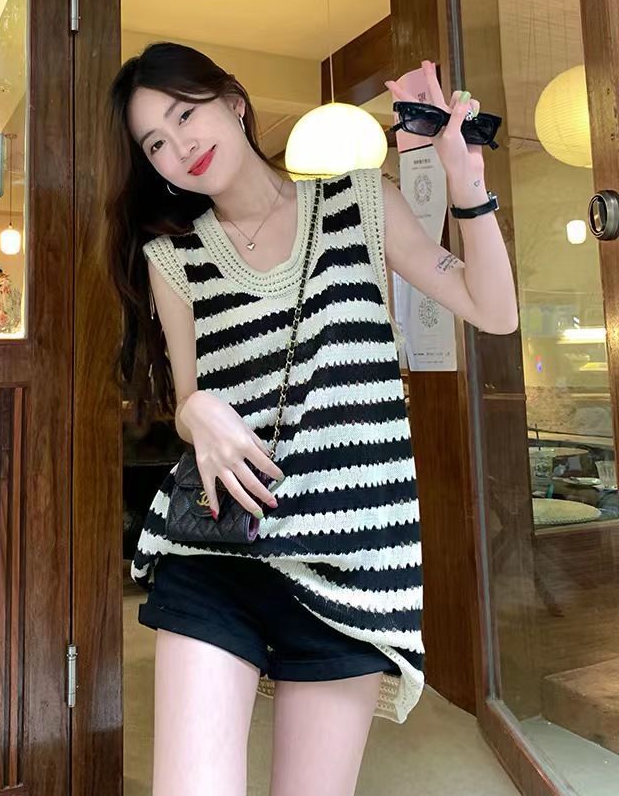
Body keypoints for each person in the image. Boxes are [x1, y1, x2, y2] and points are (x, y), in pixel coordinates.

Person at [102, 43, 517, 796]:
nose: (179, 147)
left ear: (233, 101)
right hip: (222, 547)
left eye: (185, 115)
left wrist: (468, 186)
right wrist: (195, 408)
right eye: (155, 143)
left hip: (349, 563)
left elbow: (494, 310)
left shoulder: (359, 204)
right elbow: (190, 400)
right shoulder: (176, 257)